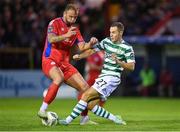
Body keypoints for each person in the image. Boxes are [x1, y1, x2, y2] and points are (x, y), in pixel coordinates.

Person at [59, 22, 135, 125]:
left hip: (112, 78)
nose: (111, 34)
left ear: (121, 32)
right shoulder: (107, 41)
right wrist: (80, 56)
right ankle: (115, 119)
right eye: (110, 32)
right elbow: (92, 50)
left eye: (114, 32)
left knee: (85, 95)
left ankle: (67, 121)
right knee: (90, 105)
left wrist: (119, 62)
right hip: (103, 77)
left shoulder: (127, 48)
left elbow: (131, 66)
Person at [38, 4, 98, 120]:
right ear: (64, 14)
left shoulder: (75, 30)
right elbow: (51, 39)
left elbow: (82, 46)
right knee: (59, 78)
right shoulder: (54, 23)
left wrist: (90, 43)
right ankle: (42, 110)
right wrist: (66, 35)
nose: (72, 19)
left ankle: (84, 119)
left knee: (85, 87)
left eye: (75, 17)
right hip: (49, 59)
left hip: (64, 64)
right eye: (70, 16)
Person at [79, 51, 105, 125]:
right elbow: (91, 66)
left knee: (101, 96)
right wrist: (103, 68)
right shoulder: (92, 54)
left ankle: (89, 113)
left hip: (100, 78)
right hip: (91, 78)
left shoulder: (104, 54)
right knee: (84, 96)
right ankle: (83, 116)